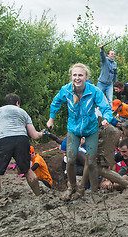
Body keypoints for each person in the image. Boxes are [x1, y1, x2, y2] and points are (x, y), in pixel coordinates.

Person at [47, 63, 114, 201]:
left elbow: (106, 107)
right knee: (70, 159)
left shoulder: (94, 91)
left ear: (86, 77)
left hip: (91, 130)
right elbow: (55, 102)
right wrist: (51, 119)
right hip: (74, 129)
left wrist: (106, 119)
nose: (77, 78)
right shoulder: (66, 90)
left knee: (90, 162)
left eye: (80, 75)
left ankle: (87, 190)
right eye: (75, 75)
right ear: (71, 76)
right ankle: (71, 187)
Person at [0, 93, 45, 201]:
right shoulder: (23, 112)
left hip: (3, 140)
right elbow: (34, 135)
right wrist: (41, 133)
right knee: (27, 170)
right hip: (22, 140)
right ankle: (39, 197)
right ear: (17, 103)